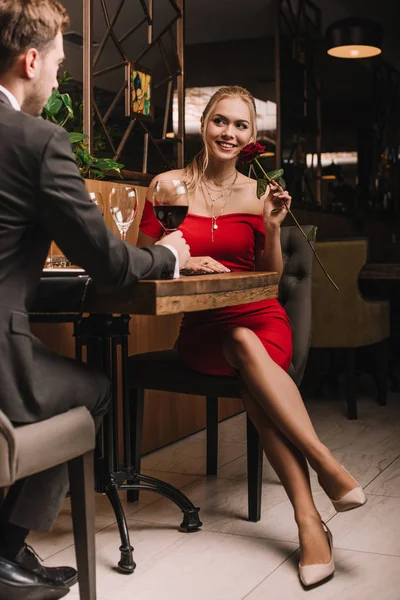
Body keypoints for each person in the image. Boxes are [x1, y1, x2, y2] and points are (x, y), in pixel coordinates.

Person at [138, 85, 367, 589]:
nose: (230, 133)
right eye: (221, 121)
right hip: (202, 329)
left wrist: (271, 227)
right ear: (205, 124)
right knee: (242, 352)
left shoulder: (258, 192)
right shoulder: (167, 186)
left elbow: (270, 278)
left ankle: (309, 521)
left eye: (242, 126)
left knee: (247, 347)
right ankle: (324, 467)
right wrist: (181, 258)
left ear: (252, 136)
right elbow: (144, 263)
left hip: (261, 319)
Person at [0, 1, 190, 598]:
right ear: (31, 60)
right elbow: (109, 264)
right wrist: (170, 255)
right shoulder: (35, 142)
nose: (58, 79)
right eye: (58, 63)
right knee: (95, 389)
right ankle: (4, 552)